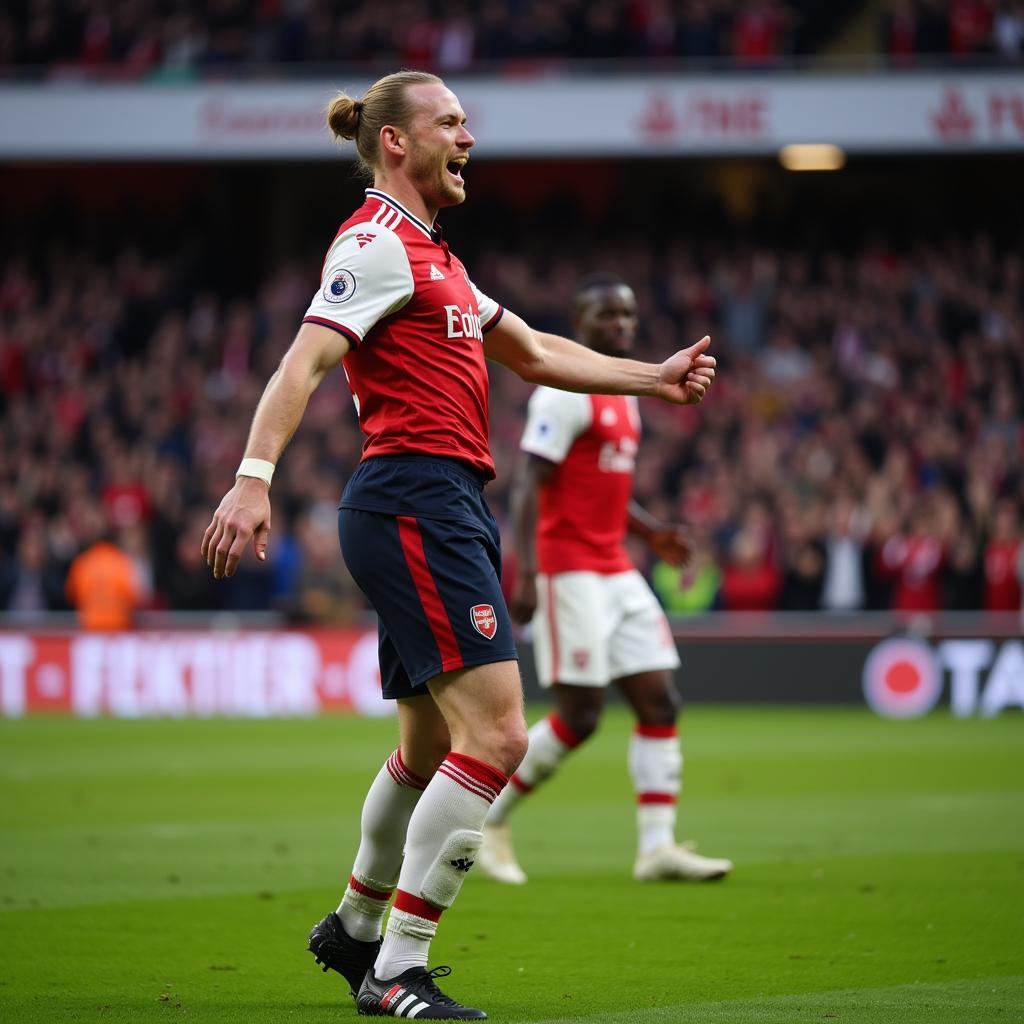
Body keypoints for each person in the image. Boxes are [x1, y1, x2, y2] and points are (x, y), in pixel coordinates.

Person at [201, 71, 716, 1021]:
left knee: (430, 742)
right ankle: (399, 964)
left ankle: (356, 926)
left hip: (438, 498)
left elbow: (531, 351)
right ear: (397, 142)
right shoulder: (375, 244)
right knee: (502, 736)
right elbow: (302, 359)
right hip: (415, 496)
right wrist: (253, 476)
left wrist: (658, 376)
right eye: (452, 122)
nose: (468, 137)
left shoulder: (438, 256)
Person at [477, 275, 732, 887]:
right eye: (606, 313)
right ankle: (487, 817)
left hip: (616, 567)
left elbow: (603, 488)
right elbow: (528, 484)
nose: (621, 323)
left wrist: (650, 535)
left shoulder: (627, 392)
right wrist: (530, 572)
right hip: (570, 571)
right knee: (582, 713)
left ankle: (656, 848)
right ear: (579, 318)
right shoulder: (566, 390)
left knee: (659, 700)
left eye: (628, 312)